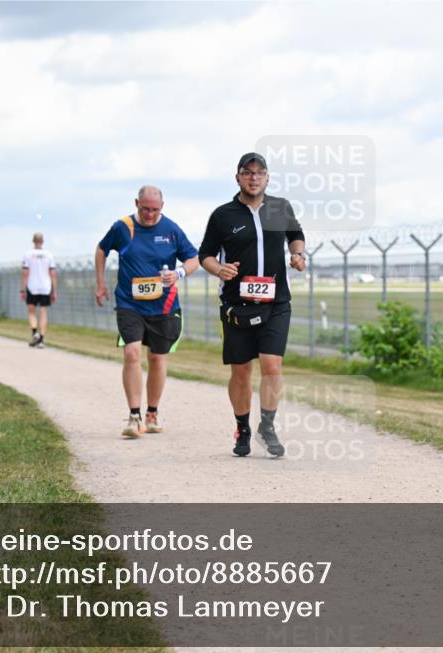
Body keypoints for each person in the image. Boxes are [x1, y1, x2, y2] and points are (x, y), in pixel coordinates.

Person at [198, 152, 306, 458]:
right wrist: (218, 269)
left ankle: (267, 426)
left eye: (259, 173)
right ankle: (242, 428)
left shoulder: (279, 207)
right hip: (237, 305)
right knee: (242, 370)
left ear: (268, 177)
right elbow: (205, 253)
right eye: (247, 172)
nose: (253, 178)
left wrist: (298, 254)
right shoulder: (223, 215)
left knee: (272, 365)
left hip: (276, 302)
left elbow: (295, 235)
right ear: (238, 178)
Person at [95, 186, 200, 438]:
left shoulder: (172, 230)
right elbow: (101, 250)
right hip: (129, 303)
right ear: (136, 204)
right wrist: (100, 283)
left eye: (155, 210)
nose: (150, 214)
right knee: (131, 353)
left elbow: (194, 258)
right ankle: (134, 416)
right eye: (145, 209)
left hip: (163, 305)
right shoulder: (123, 227)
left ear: (162, 206)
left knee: (156, 359)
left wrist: (179, 273)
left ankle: (152, 413)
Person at [21, 232, 58, 349]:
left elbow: (25, 273)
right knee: (43, 313)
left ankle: (34, 332)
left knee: (31, 312)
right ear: (42, 241)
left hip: (32, 286)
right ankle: (41, 340)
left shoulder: (27, 254)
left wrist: (22, 289)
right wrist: (54, 290)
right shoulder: (49, 255)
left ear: (33, 241)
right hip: (45, 287)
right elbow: (52, 274)